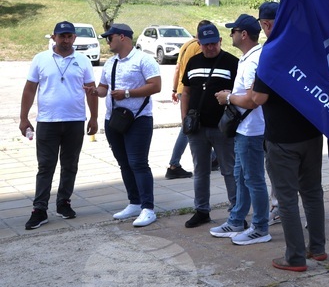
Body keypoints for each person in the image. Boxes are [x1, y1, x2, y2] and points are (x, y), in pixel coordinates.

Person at [252, 1, 327, 272]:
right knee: (312, 192)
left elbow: (258, 97)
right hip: (311, 133)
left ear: (267, 24)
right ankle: (317, 248)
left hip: (282, 139)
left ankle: (294, 257)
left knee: (286, 199)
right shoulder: (306, 48)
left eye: (262, 25)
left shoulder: (271, 53)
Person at [20, 21, 99, 230]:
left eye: (69, 36)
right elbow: (29, 90)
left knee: (70, 165)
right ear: (53, 37)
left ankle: (64, 202)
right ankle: (39, 209)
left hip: (74, 121)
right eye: (61, 36)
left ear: (74, 38)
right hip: (47, 121)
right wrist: (23, 118)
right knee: (45, 166)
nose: (65, 40)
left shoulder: (82, 60)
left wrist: (94, 118)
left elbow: (91, 90)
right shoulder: (41, 59)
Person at [92, 23, 162, 228]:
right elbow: (104, 88)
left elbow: (156, 86)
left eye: (110, 37)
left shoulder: (143, 59)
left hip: (138, 119)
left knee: (138, 163)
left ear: (122, 37)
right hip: (114, 119)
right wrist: (95, 91)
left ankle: (148, 208)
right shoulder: (110, 63)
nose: (107, 42)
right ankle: (135, 202)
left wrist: (128, 93)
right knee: (124, 162)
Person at [210, 13, 270, 245]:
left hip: (253, 129)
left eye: (233, 31)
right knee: (240, 176)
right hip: (244, 129)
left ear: (243, 34)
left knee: (253, 179)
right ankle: (236, 220)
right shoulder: (248, 58)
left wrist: (228, 98)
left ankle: (260, 227)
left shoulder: (254, 59)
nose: (230, 35)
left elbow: (252, 99)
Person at [180, 22, 239, 228]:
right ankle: (201, 210)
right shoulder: (193, 62)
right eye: (205, 44)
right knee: (200, 170)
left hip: (223, 127)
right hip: (197, 128)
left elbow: (240, 94)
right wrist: (184, 119)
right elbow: (185, 92)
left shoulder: (233, 62)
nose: (210, 47)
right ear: (199, 42)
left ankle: (236, 212)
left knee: (229, 170)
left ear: (220, 41)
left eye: (213, 43)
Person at [165, 20, 211, 180]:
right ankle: (174, 164)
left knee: (192, 125)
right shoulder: (198, 47)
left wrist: (173, 89)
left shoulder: (186, 44)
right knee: (188, 127)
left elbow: (177, 67)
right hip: (190, 91)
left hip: (181, 89)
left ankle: (213, 158)